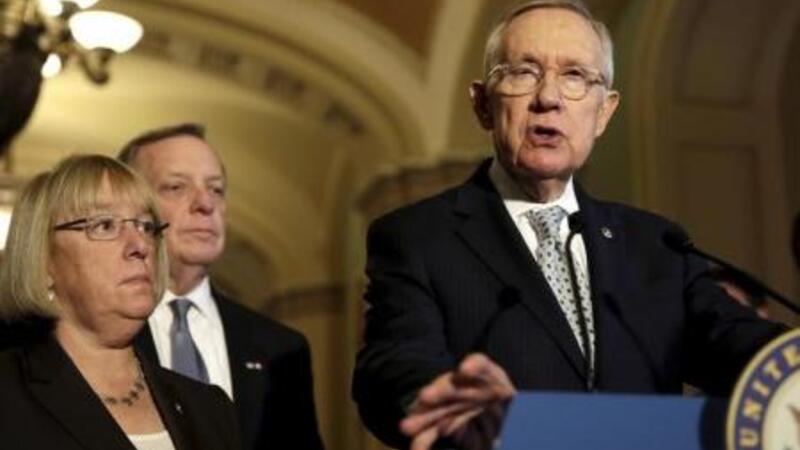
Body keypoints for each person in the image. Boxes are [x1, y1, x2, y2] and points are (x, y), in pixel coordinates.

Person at [351, 1, 788, 449]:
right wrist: (442, 398)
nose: (549, 98)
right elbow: (394, 363)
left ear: (603, 113)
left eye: (575, 75)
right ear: (482, 104)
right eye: (523, 72)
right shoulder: (419, 237)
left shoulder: (655, 244)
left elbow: (740, 342)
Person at [0, 155, 241, 450]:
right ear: (43, 260)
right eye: (104, 225)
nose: (140, 246)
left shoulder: (209, 409)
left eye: (146, 226)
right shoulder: (8, 397)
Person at [118, 123, 324, 450]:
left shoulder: (282, 349)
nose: (205, 203)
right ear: (127, 208)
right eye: (176, 187)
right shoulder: (98, 336)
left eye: (216, 189)